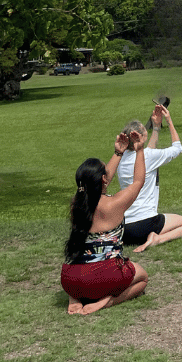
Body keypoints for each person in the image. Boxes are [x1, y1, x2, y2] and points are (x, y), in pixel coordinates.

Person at [61, 130, 149, 315]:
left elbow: (101, 179)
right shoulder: (114, 204)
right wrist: (139, 149)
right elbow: (139, 181)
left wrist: (119, 152)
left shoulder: (76, 206)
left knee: (82, 267)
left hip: (70, 280)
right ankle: (107, 301)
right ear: (103, 179)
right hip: (104, 277)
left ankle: (75, 300)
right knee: (142, 277)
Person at [117, 102, 182, 253]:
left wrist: (156, 127)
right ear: (141, 136)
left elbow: (148, 151)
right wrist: (169, 121)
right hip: (146, 224)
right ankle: (157, 239)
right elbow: (177, 148)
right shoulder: (148, 157)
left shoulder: (121, 158)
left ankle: (153, 237)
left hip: (125, 229)